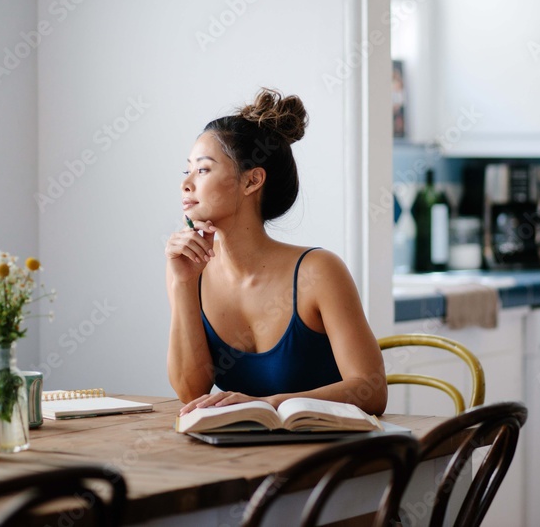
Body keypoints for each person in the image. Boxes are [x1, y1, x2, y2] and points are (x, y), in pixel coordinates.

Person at [165, 89, 387, 416]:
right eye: (187, 171)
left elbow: (371, 391)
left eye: (203, 170)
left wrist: (267, 405)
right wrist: (182, 284)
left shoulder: (319, 271)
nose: (187, 184)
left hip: (334, 460)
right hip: (240, 458)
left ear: (252, 181)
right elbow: (190, 390)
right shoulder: (191, 272)